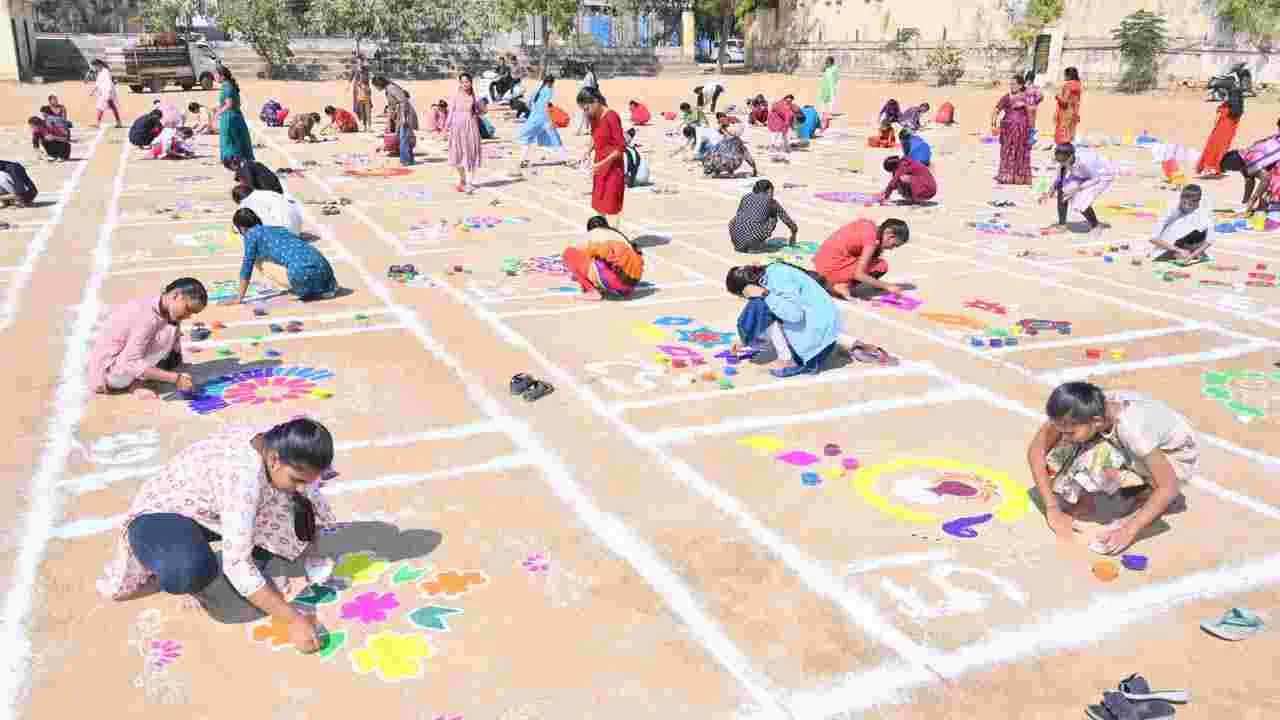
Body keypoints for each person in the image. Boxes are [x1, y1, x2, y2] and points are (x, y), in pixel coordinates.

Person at [96, 416, 339, 656]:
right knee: (186, 571)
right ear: (275, 460)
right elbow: (237, 564)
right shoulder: (243, 480)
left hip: (208, 509)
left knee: (296, 514)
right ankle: (166, 575)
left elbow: (307, 499)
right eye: (296, 480)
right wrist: (293, 619)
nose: (301, 487)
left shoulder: (276, 444)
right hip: (160, 516)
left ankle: (200, 552)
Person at [1026, 381, 1195, 555]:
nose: (1065, 437)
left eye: (1070, 432)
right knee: (1064, 452)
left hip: (1176, 454)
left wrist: (1128, 531)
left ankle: (1145, 491)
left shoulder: (1132, 431)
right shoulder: (1079, 408)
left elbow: (1168, 487)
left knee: (1095, 459)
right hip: (1141, 436)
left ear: (1097, 421)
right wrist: (1052, 507)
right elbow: (1037, 450)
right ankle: (1132, 485)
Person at [88, 277, 206, 396]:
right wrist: (176, 378)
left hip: (121, 363)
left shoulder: (164, 308)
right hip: (108, 375)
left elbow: (174, 345)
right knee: (165, 335)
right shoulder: (147, 316)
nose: (188, 316)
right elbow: (129, 362)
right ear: (176, 295)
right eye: (188, 309)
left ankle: (141, 377)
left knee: (170, 329)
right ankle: (133, 384)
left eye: (193, 313)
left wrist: (178, 366)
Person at [726, 262, 841, 378]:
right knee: (768, 305)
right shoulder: (770, 273)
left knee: (759, 305)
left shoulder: (776, 278)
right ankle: (789, 353)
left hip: (816, 343)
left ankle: (787, 359)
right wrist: (744, 340)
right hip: (822, 333)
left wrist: (765, 294)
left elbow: (795, 315)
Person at [229, 208, 337, 303]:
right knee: (289, 258)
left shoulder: (251, 235)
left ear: (242, 228)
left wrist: (239, 297)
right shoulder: (278, 229)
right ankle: (320, 288)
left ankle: (303, 288)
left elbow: (246, 267)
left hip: (302, 275)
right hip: (326, 272)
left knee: (257, 260)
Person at [813, 218, 910, 300]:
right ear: (890, 236)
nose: (892, 248)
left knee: (874, 259)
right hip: (829, 268)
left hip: (822, 259)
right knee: (882, 266)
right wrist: (887, 286)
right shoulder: (871, 241)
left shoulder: (869, 225)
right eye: (894, 245)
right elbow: (859, 274)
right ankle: (840, 285)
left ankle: (839, 281)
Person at [1039, 142, 1114, 239]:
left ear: (1071, 156)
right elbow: (1060, 176)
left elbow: (1095, 179)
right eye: (1059, 160)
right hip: (1081, 173)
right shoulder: (1063, 157)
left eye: (1063, 160)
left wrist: (1077, 189)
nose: (1061, 162)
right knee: (1063, 190)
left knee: (1081, 201)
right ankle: (1062, 225)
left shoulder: (1083, 162)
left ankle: (1095, 226)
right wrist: (1049, 192)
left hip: (1101, 175)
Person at [562, 215, 645, 300]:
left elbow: (584, 258)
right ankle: (623, 289)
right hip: (632, 284)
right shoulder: (619, 235)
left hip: (614, 281)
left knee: (568, 254)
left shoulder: (592, 235)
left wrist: (582, 279)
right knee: (604, 258)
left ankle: (592, 291)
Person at [579, 86, 626, 230]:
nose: (585, 112)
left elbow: (620, 148)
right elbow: (595, 137)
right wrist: (587, 151)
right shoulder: (593, 117)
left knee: (611, 205)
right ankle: (601, 234)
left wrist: (602, 163)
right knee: (598, 203)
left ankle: (614, 236)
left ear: (595, 102)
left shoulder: (612, 116)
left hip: (613, 167)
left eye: (587, 108)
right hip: (599, 165)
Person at [728, 179, 798, 252]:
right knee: (773, 217)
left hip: (737, 242)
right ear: (769, 190)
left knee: (737, 219)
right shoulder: (771, 201)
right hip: (753, 237)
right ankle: (755, 245)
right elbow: (786, 219)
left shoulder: (745, 197)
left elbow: (741, 215)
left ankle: (745, 244)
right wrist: (794, 234)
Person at [992, 74, 1038, 185]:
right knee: (1006, 151)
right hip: (1008, 130)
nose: (1011, 86)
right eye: (1010, 84)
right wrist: (993, 124)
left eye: (1014, 84)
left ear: (1021, 85)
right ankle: (1005, 176)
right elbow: (996, 110)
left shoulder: (1026, 97)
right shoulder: (1006, 97)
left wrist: (1032, 131)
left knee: (1020, 151)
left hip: (1022, 130)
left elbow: (1031, 114)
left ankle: (1018, 177)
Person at [1149, 184, 1214, 262]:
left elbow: (1210, 239)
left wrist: (1192, 256)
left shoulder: (1204, 208)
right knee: (1183, 224)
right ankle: (1178, 252)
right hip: (1169, 242)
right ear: (1180, 198)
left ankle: (1188, 250)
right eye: (1184, 203)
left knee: (1202, 226)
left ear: (1198, 201)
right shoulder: (1171, 208)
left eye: (1191, 203)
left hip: (1186, 242)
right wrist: (1178, 250)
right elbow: (1153, 238)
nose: (1187, 206)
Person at [515, 75, 566, 173]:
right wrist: (551, 118)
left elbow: (528, 103)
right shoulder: (549, 90)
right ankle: (565, 158)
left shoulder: (538, 89)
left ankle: (521, 160)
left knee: (527, 139)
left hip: (533, 118)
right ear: (550, 83)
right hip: (544, 118)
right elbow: (546, 105)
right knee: (555, 138)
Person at [446, 72, 483, 191]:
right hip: (456, 129)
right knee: (457, 154)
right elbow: (451, 112)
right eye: (462, 82)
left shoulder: (475, 97)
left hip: (471, 128)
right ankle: (462, 179)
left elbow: (481, 111)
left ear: (471, 83)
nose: (465, 84)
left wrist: (481, 108)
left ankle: (470, 182)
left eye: (467, 82)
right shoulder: (455, 96)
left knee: (470, 153)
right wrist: (446, 127)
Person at [372, 76, 419, 167]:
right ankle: (409, 159)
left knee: (403, 137)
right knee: (404, 137)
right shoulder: (388, 89)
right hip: (400, 114)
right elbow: (392, 106)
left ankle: (405, 160)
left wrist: (404, 118)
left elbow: (403, 101)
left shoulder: (391, 88)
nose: (376, 88)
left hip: (405, 114)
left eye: (376, 86)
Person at [1197, 88, 1244, 177]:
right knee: (1222, 150)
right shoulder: (1238, 109)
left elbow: (1216, 120)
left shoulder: (1224, 107)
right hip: (1229, 134)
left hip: (1219, 131)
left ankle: (1207, 167)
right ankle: (1218, 167)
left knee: (1212, 148)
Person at [216, 66, 255, 171]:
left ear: (222, 76)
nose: (215, 77)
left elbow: (229, 104)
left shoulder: (227, 86)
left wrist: (218, 112)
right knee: (237, 139)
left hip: (229, 117)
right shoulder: (228, 85)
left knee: (230, 139)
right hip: (234, 115)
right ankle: (236, 160)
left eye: (216, 75)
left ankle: (232, 160)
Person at [232, 185, 304, 235]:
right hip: (297, 228)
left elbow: (238, 227)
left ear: (238, 199)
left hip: (285, 233)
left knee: (250, 231)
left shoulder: (246, 202)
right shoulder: (268, 193)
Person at [89, 59, 123, 128]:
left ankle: (118, 122)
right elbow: (98, 83)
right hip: (103, 92)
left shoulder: (105, 71)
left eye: (95, 66)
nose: (94, 68)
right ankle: (99, 123)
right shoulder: (100, 72)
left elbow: (108, 82)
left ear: (99, 65)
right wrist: (93, 90)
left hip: (107, 92)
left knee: (106, 107)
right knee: (104, 107)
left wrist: (108, 92)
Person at [1054, 67, 1083, 145]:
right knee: (1069, 135)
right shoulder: (1078, 85)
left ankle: (1062, 155)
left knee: (1063, 137)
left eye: (1065, 75)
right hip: (1074, 112)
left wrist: (1057, 97)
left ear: (1068, 75)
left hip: (1066, 113)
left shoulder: (1068, 85)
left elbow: (1064, 102)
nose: (1064, 77)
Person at [574, 63, 600, 136]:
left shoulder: (589, 76)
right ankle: (587, 129)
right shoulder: (592, 75)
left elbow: (588, 87)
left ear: (587, 68)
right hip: (591, 95)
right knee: (587, 113)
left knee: (585, 113)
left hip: (588, 96)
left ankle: (584, 129)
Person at [350, 53, 373, 132]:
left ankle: (368, 125)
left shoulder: (365, 69)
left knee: (367, 108)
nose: (359, 62)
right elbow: (352, 76)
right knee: (361, 108)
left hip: (365, 90)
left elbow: (367, 79)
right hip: (358, 90)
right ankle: (364, 125)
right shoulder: (355, 68)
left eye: (360, 60)